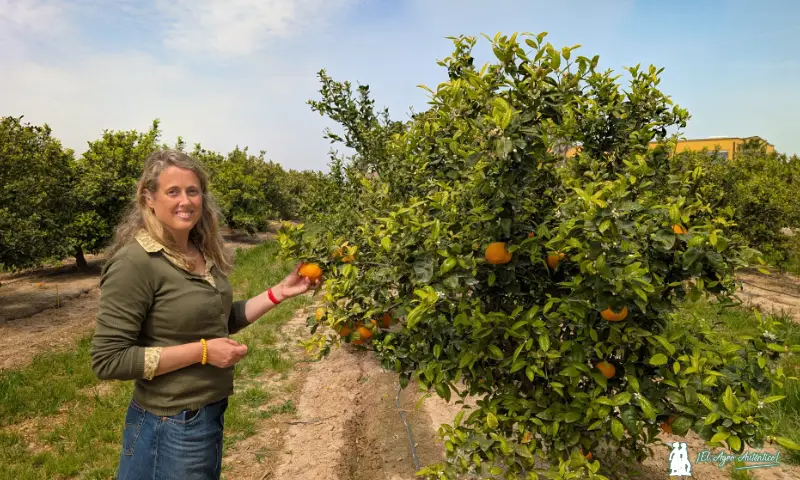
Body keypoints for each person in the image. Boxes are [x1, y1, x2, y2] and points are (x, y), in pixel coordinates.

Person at [90, 149, 321, 480]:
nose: (185, 200)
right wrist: (203, 352)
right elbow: (109, 359)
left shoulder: (197, 251)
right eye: (173, 191)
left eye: (192, 191)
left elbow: (218, 321)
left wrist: (278, 293)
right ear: (149, 198)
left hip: (202, 416)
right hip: (170, 425)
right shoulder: (136, 263)